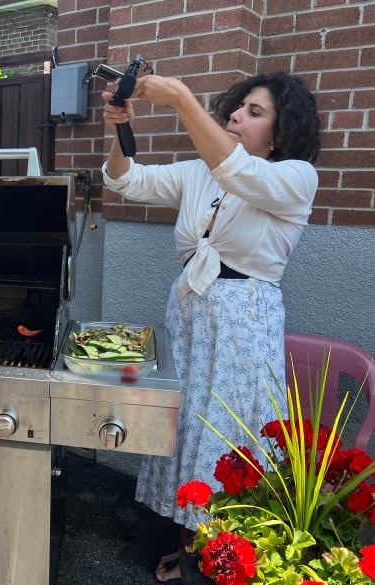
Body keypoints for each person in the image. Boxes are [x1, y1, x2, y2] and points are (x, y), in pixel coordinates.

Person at [100, 71, 321, 583]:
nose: (237, 116)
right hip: (192, 314)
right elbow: (126, 180)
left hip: (243, 323)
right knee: (183, 428)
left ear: (281, 132)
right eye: (236, 108)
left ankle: (215, 557)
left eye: (255, 111)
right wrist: (119, 132)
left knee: (225, 435)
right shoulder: (201, 171)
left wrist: (179, 98)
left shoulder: (295, 177)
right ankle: (185, 544)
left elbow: (242, 175)